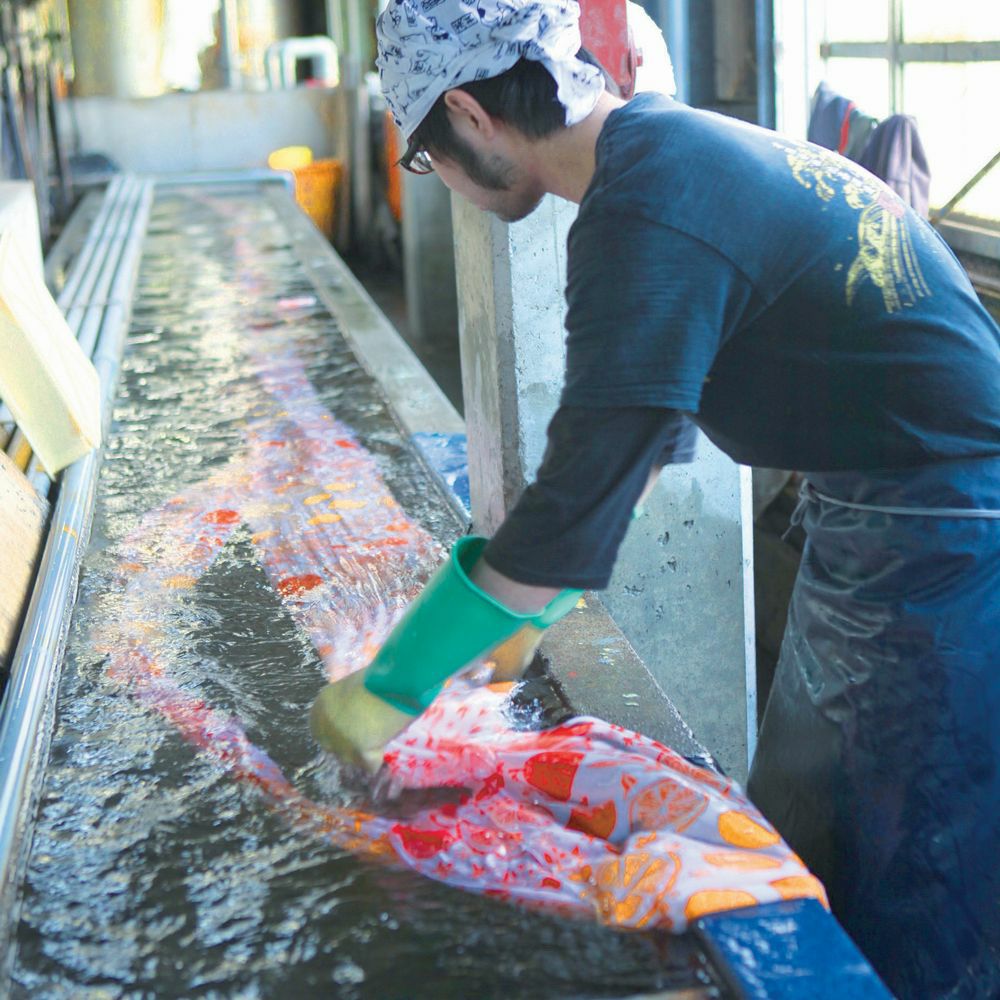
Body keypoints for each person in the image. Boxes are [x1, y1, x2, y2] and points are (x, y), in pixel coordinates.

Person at [310, 0, 1000, 994]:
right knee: (811, 836)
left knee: (911, 877)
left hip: (951, 531)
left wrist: (390, 690)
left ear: (466, 113)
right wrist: (519, 617)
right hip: (889, 513)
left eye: (428, 159)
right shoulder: (662, 157)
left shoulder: (644, 204)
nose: (446, 185)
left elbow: (593, 477)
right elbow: (621, 459)